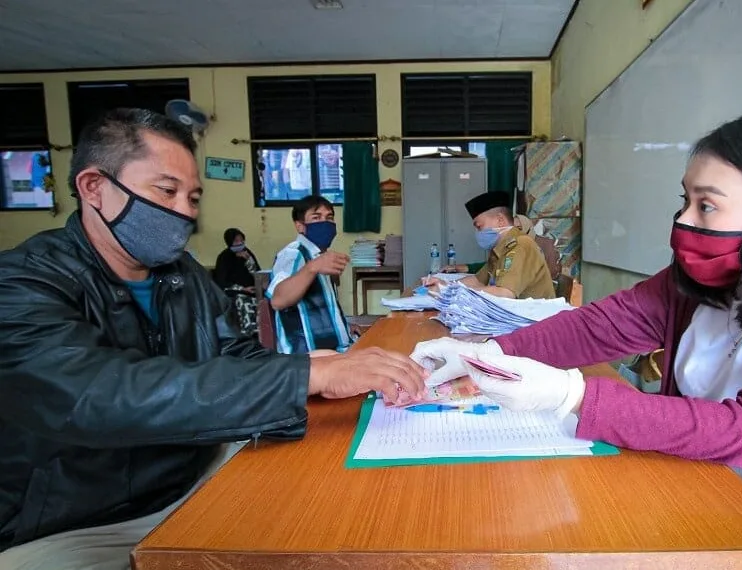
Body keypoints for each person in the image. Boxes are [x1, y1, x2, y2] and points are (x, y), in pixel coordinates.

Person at [412, 108, 742, 553]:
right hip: (689, 483)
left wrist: (571, 395)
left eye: (706, 205)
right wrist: (488, 351)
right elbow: (602, 326)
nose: (684, 220)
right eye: (684, 200)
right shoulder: (708, 276)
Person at [0, 108, 427, 569]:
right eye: (166, 191)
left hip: (198, 473)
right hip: (82, 521)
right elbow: (96, 395)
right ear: (94, 188)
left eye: (194, 197)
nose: (184, 210)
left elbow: (235, 353)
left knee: (346, 516)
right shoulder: (22, 283)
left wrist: (314, 370)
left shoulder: (183, 275)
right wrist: (304, 372)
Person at [268, 195, 358, 354]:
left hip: (336, 350)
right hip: (308, 357)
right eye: (316, 217)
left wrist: (343, 326)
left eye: (329, 217)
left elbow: (322, 307)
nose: (325, 222)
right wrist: (312, 267)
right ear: (300, 226)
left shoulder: (319, 256)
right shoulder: (293, 254)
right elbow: (278, 300)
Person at [425, 191, 555, 299]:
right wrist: (446, 285)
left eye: (479, 227)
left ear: (500, 220)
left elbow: (505, 293)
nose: (478, 233)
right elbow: (477, 281)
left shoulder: (521, 244)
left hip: (534, 324)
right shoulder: (500, 249)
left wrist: (452, 292)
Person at [441, 213, 535, 274]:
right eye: (511, 228)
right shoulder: (507, 247)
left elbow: (506, 290)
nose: (512, 232)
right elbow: (493, 266)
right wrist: (462, 268)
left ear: (528, 230)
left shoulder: (530, 248)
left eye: (518, 228)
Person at [213, 227, 261, 336]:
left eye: (241, 240)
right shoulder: (224, 257)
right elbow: (221, 282)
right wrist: (242, 289)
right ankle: (250, 332)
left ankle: (262, 334)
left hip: (252, 290)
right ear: (229, 242)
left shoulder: (248, 253)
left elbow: (257, 274)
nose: (240, 243)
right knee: (244, 300)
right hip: (235, 291)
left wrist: (249, 261)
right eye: (236, 241)